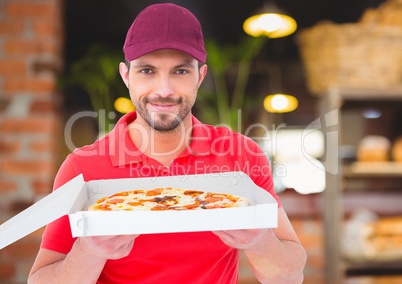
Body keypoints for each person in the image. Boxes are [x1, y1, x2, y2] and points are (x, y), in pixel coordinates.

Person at [28, 3, 306, 283]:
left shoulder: (243, 155)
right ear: (126, 75)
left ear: (201, 75)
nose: (164, 90)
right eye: (147, 71)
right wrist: (89, 251)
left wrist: (260, 242)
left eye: (180, 71)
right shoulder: (82, 166)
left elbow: (290, 275)